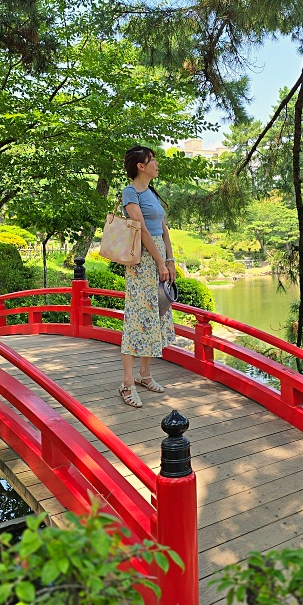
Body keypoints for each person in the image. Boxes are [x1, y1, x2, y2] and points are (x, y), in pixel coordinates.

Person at [118, 145, 177, 408]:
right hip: (142, 261)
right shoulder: (130, 192)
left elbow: (163, 228)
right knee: (138, 315)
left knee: (154, 314)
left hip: (159, 258)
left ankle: (144, 375)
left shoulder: (150, 191)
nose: (156, 164)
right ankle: (127, 383)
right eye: (151, 160)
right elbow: (141, 229)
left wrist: (170, 260)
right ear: (140, 166)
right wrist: (159, 261)